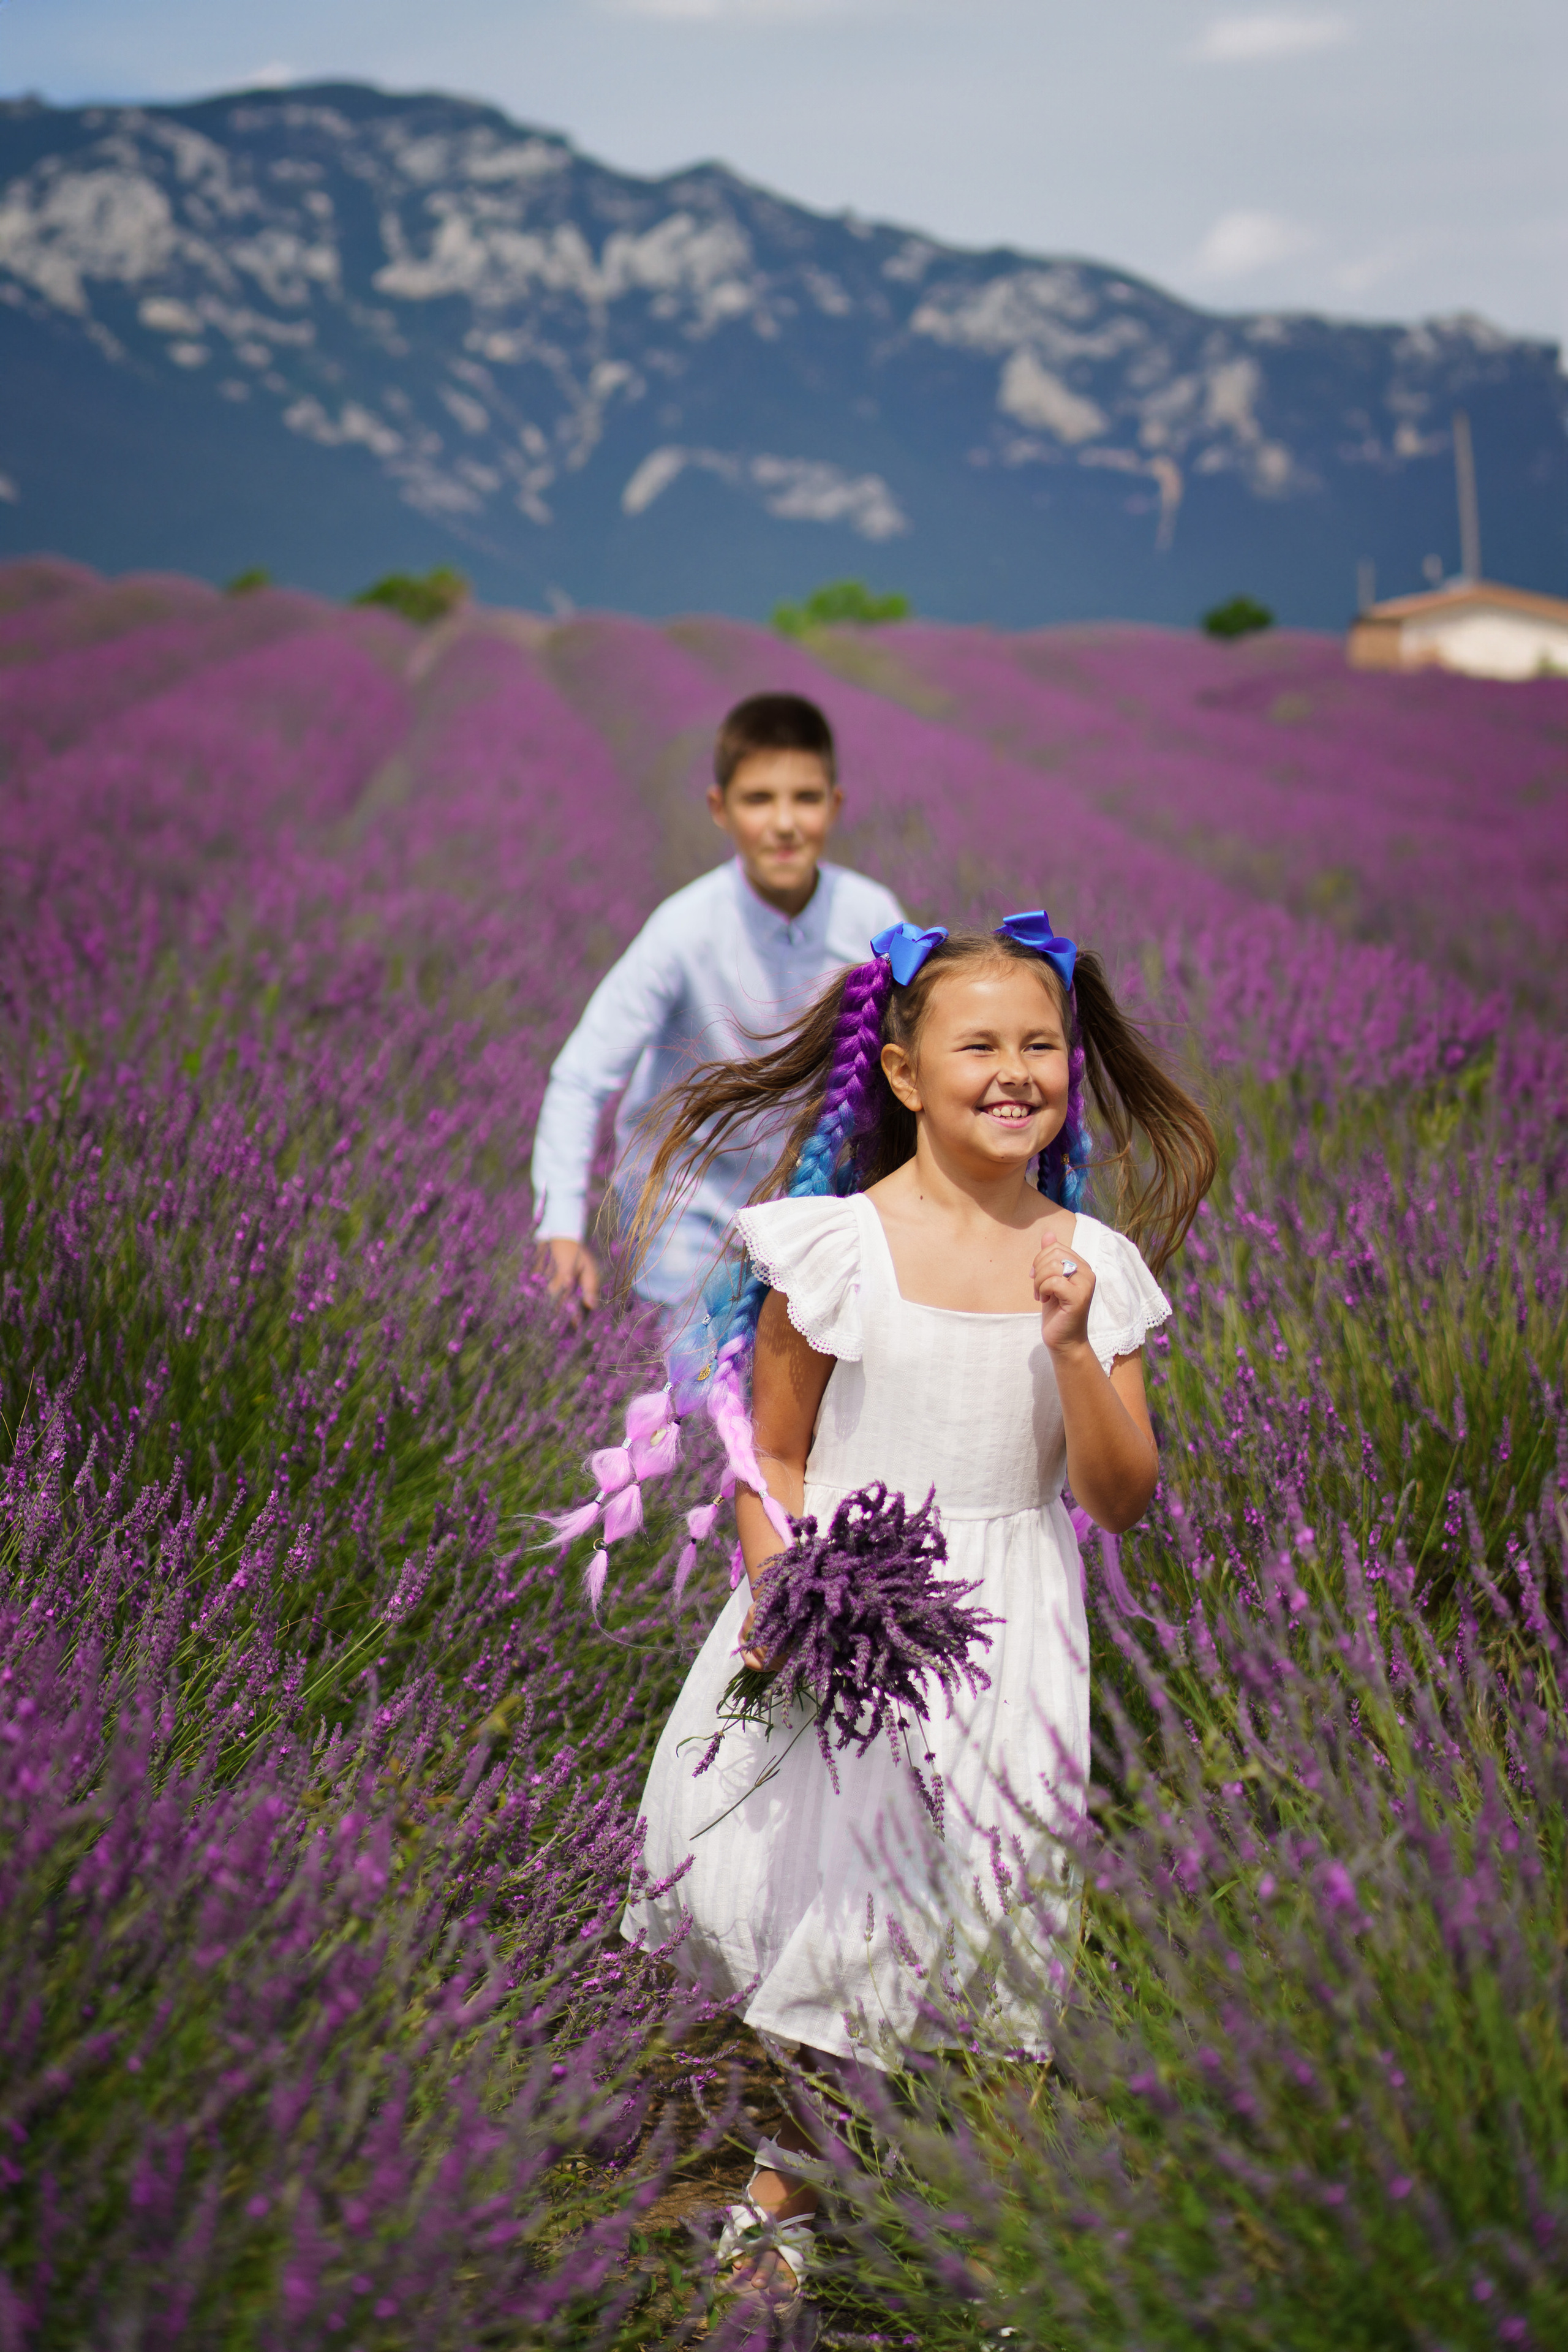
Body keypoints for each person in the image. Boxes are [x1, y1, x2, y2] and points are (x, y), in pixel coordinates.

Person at [618, 913, 1217, 2307]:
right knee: (844, 1948)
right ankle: (774, 2228)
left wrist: (1070, 1345)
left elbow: (1119, 1495)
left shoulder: (1090, 1260)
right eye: (978, 1046)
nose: (1014, 1072)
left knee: (1003, 1942)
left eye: (1037, 1045)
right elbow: (770, 1455)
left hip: (1015, 1626)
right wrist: (782, 1589)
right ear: (899, 1072)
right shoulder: (832, 1248)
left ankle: (993, 2263)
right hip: (853, 1633)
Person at [529, 692, 903, 1317]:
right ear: (719, 809)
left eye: (805, 799)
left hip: (812, 1205)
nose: (784, 823)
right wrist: (560, 1226)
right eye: (758, 800)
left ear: (835, 806)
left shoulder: (871, 917)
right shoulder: (683, 929)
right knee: (695, 1389)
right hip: (681, 1203)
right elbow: (581, 1077)